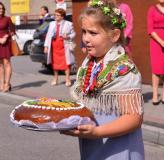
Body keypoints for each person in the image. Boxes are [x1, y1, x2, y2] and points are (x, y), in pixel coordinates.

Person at [62, 0, 144, 159]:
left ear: (114, 35)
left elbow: (134, 118)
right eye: (84, 31)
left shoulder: (124, 69)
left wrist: (97, 132)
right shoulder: (90, 62)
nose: (86, 38)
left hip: (117, 150)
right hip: (93, 147)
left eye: (93, 33)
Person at [44, 8, 76, 87]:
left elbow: (74, 34)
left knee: (66, 63)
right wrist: (46, 46)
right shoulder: (52, 24)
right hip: (54, 47)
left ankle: (67, 79)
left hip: (64, 47)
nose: (56, 16)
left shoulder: (69, 24)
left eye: (57, 15)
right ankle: (55, 79)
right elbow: (48, 35)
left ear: (62, 16)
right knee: (54, 64)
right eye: (55, 15)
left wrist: (68, 36)